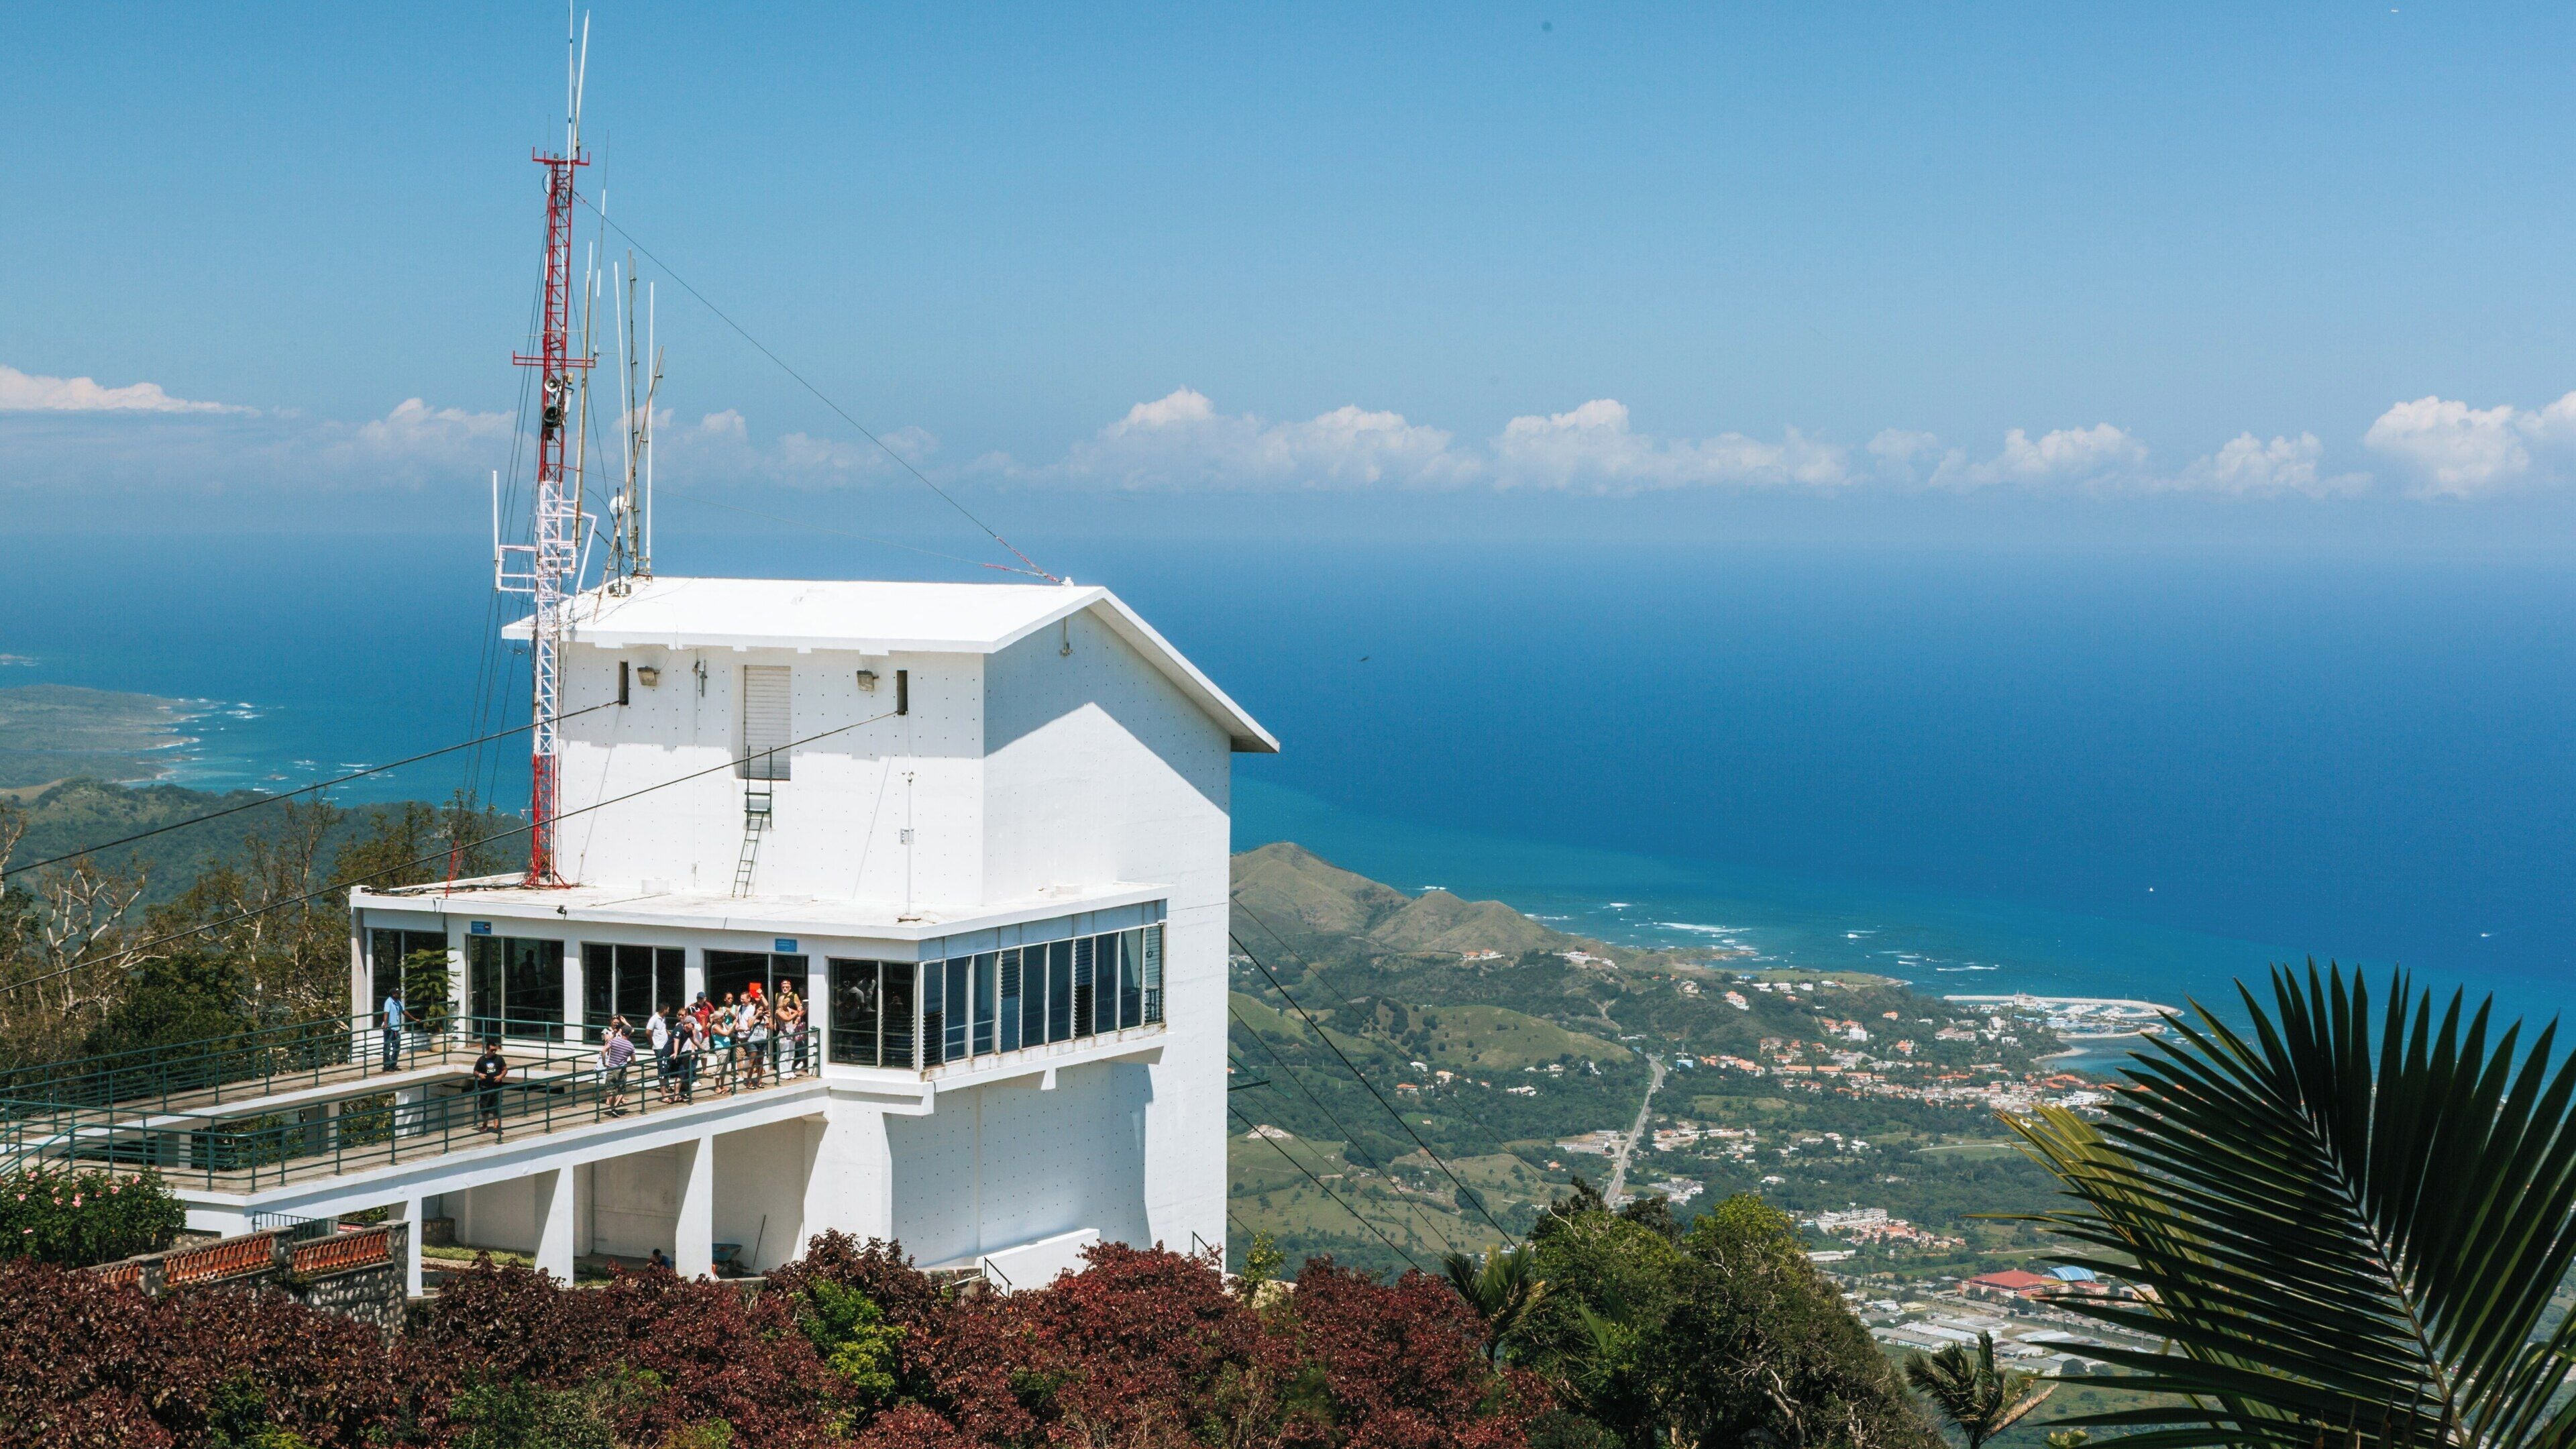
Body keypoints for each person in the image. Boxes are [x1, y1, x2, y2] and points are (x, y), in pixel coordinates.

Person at [472, 1039, 509, 1135]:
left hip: (497, 1087)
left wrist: (501, 1076)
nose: (494, 1052)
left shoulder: (499, 1059)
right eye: (492, 1050)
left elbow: (505, 1069)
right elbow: (475, 1071)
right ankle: (485, 1125)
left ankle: (497, 1126)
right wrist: (480, 1075)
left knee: (497, 1107)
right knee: (485, 1107)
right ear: (487, 1050)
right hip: (485, 1087)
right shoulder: (481, 1060)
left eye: (495, 1050)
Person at [602, 1019, 636, 1116]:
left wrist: (605, 1062)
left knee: (610, 1090)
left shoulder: (613, 1041)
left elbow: (604, 1051)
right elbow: (634, 1061)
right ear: (629, 1034)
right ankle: (615, 1108)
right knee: (621, 1090)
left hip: (611, 1068)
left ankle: (612, 1108)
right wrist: (628, 1062)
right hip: (622, 1070)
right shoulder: (631, 1046)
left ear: (621, 1032)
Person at [649, 1005, 674, 1103]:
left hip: (665, 1046)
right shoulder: (654, 1019)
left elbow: (662, 1030)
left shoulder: (663, 1018)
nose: (669, 1011)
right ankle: (664, 1093)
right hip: (658, 1047)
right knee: (662, 1068)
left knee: (666, 1066)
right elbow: (648, 1032)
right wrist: (653, 1043)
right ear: (664, 1010)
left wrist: (668, 1033)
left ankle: (666, 1086)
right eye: (668, 1009)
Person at [380, 989, 405, 1073]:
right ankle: (387, 1066)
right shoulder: (389, 1002)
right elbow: (386, 1013)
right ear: (393, 994)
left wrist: (414, 1019)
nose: (399, 995)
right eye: (398, 993)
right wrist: (386, 1023)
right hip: (390, 1028)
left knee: (397, 1048)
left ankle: (393, 1064)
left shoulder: (398, 1002)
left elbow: (404, 1011)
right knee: (387, 1047)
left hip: (397, 1028)